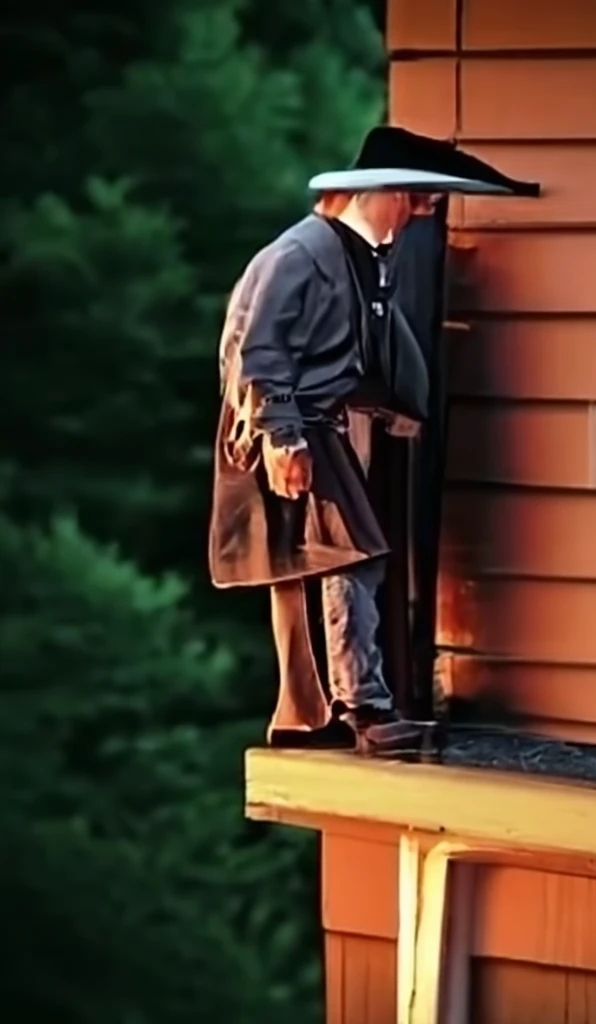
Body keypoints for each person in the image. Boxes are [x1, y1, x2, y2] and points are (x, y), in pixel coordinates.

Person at [208, 126, 538, 753]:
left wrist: (395, 407)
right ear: (378, 192)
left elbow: (372, 343)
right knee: (348, 556)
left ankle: (304, 715)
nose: (419, 212)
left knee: (315, 565)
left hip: (318, 424)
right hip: (292, 428)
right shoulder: (299, 254)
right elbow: (258, 346)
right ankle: (367, 711)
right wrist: (282, 435)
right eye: (413, 198)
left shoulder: (360, 257)